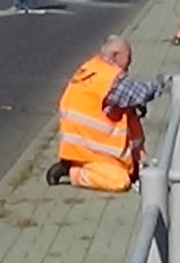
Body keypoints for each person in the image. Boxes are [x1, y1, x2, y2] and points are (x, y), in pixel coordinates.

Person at [46, 35, 163, 191]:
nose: (130, 64)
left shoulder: (92, 67)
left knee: (129, 111)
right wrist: (160, 83)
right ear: (115, 56)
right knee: (120, 181)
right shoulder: (109, 78)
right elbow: (140, 93)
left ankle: (129, 163)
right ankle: (74, 172)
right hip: (89, 152)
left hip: (81, 146)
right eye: (128, 58)